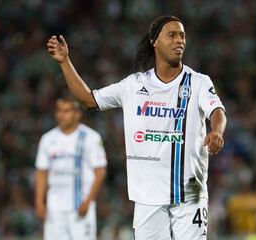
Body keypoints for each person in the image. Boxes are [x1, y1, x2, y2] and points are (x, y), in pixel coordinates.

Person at [47, 15, 227, 240]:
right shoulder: (134, 85)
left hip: (189, 192)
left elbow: (217, 111)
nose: (179, 40)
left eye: (182, 35)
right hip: (147, 196)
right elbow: (88, 99)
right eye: (171, 35)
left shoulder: (199, 82)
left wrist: (217, 131)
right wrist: (65, 62)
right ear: (155, 41)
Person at [34, 98, 107, 240]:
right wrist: (39, 201)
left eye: (66, 111)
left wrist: (88, 200)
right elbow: (41, 172)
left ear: (77, 114)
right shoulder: (47, 139)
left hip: (80, 206)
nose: (61, 115)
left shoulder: (91, 138)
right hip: (54, 208)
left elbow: (100, 172)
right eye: (59, 111)